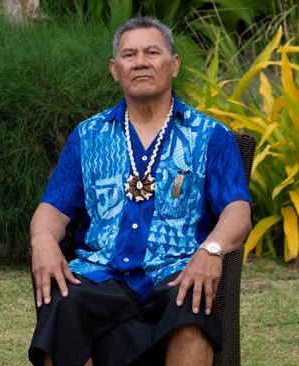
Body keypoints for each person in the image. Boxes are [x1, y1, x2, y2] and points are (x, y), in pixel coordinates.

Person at [28, 17, 251, 366]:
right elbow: (53, 209)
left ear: (173, 64)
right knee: (64, 304)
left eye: (152, 52)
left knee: (190, 306)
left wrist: (211, 250)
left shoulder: (209, 136)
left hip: (175, 270)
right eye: (129, 55)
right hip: (103, 274)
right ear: (115, 69)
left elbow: (237, 210)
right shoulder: (89, 136)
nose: (141, 62)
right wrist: (42, 240)